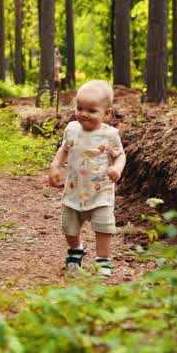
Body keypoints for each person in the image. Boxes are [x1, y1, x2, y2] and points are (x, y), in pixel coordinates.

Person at [47, 80, 126, 275]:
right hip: (74, 189)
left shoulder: (109, 135)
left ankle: (103, 260)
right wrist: (56, 165)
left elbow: (120, 155)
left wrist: (117, 168)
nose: (83, 114)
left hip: (101, 192)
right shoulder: (72, 129)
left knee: (104, 227)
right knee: (69, 227)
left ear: (106, 113)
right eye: (80, 108)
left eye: (91, 110)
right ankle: (75, 250)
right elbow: (64, 149)